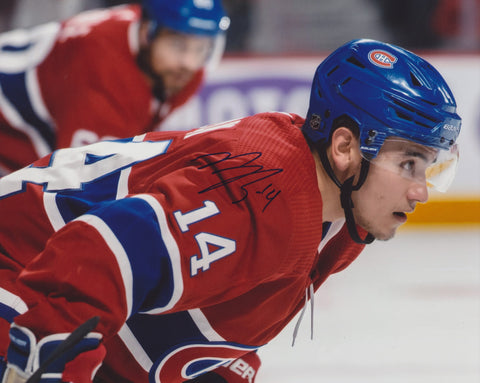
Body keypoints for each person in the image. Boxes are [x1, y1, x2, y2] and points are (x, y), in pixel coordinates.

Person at [0, 39, 461, 383]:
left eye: (429, 167)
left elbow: (224, 324)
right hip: (21, 267)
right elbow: (102, 251)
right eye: (408, 164)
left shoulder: (341, 217)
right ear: (344, 147)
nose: (421, 191)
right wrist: (51, 360)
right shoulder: (260, 195)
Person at [0, 0, 230, 176]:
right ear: (146, 33)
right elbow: (79, 184)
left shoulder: (176, 70)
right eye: (177, 43)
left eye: (201, 47)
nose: (189, 62)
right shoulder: (101, 69)